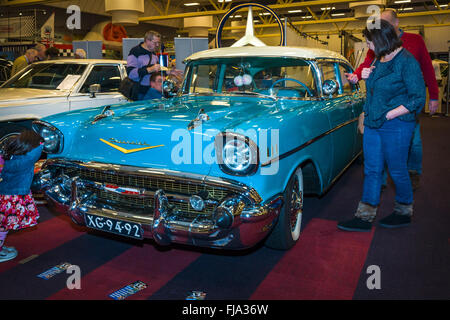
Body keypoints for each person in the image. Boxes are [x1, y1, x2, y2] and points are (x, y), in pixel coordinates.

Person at [337, 20, 426, 232]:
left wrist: (391, 113)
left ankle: (403, 211)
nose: (368, 46)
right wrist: (365, 77)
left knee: (397, 170)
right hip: (373, 124)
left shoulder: (407, 62)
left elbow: (417, 98)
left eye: (369, 42)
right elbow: (374, 92)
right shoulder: (379, 59)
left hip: (397, 125)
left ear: (381, 39)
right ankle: (365, 216)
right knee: (372, 170)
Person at [346, 9, 439, 190]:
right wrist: (357, 75)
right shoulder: (377, 45)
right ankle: (379, 183)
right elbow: (368, 64)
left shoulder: (414, 43)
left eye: (385, 23)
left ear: (395, 23)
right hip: (382, 105)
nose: (380, 27)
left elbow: (427, 69)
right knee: (378, 148)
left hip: (404, 106)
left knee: (414, 142)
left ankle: (412, 176)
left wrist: (434, 96)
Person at [0, 130, 43, 262]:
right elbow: (37, 151)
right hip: (14, 197)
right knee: (3, 226)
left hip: (5, 195)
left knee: (3, 225)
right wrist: (42, 142)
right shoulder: (26, 160)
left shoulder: (10, 157)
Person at [126, 30, 162, 100]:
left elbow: (155, 72)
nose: (157, 45)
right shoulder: (135, 51)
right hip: (140, 92)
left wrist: (168, 72)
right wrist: (150, 69)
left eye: (158, 43)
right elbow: (131, 73)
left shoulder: (153, 53)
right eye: (155, 42)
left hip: (151, 90)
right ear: (147, 41)